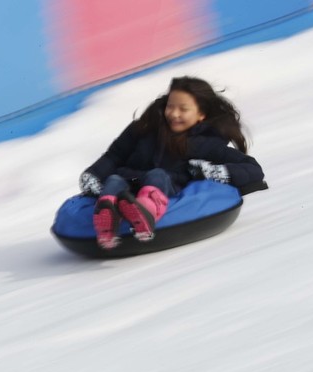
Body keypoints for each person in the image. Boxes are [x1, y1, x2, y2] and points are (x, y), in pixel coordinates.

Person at [79, 76, 265, 249]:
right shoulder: (144, 128)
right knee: (113, 180)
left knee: (156, 175)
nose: (174, 114)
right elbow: (114, 155)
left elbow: (253, 169)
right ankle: (106, 222)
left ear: (201, 114)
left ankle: (145, 213)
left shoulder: (207, 144)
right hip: (130, 181)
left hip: (165, 185)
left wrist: (210, 171)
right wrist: (93, 175)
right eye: (170, 106)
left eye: (183, 109)